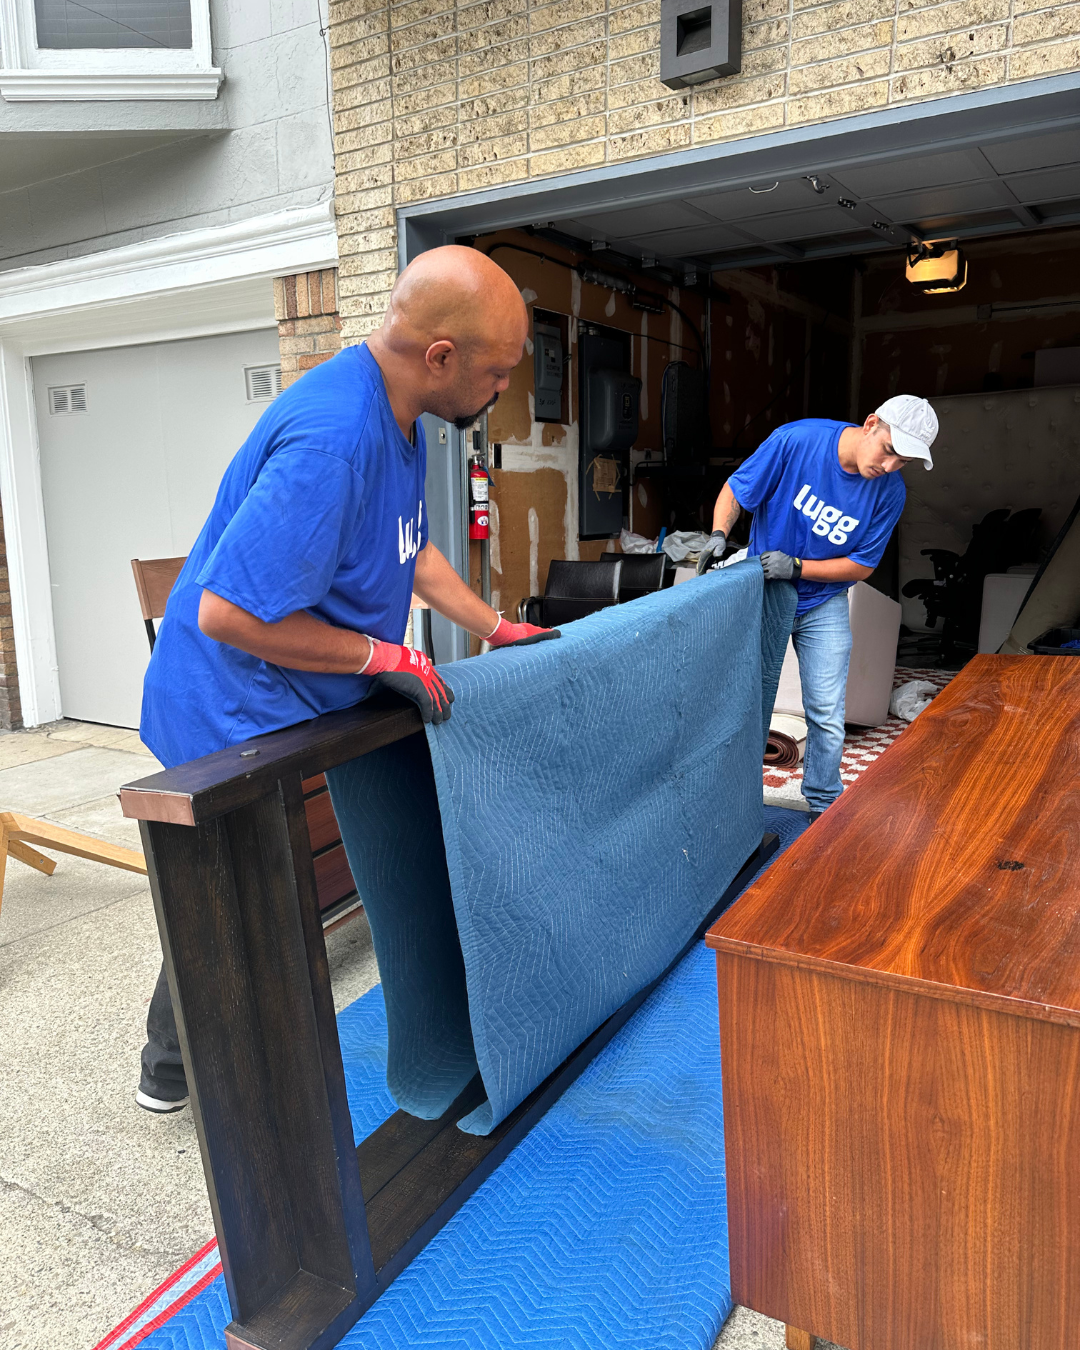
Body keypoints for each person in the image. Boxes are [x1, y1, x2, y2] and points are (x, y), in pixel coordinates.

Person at [136, 246, 557, 1113]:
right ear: (440, 356)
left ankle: (200, 1058)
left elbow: (411, 548)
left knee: (252, 897)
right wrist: (380, 655)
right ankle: (181, 1076)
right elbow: (228, 614)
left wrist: (493, 626)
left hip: (290, 693)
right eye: (496, 372)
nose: (502, 389)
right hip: (227, 707)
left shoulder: (402, 416)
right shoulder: (333, 441)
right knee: (238, 902)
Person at [696, 395, 938, 823]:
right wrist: (719, 534)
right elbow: (738, 488)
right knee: (748, 704)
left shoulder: (891, 493)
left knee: (826, 712)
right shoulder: (797, 441)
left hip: (823, 602)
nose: (889, 466)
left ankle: (825, 807)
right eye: (888, 451)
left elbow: (862, 565)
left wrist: (799, 567)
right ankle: (732, 806)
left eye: (903, 461)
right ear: (871, 424)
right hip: (766, 593)